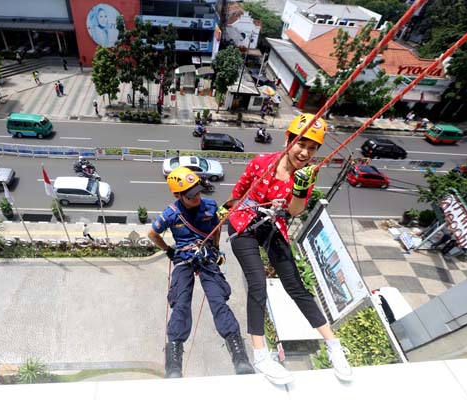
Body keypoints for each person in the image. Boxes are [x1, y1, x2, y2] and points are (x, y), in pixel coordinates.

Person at [220, 113, 352, 383]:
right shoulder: (261, 163)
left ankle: (334, 345)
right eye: (301, 144)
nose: (305, 153)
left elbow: (293, 211)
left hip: (272, 224)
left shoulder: (307, 175)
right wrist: (224, 213)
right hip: (244, 223)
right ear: (288, 140)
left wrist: (301, 190)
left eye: (313, 148)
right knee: (257, 283)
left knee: (295, 284)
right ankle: (260, 356)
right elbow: (239, 191)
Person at [148, 167, 254, 379]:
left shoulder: (210, 206)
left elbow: (216, 229)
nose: (196, 197)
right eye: (190, 195)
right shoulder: (171, 214)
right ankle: (174, 361)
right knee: (181, 303)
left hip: (205, 256)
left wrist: (215, 249)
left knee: (218, 301)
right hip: (184, 259)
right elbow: (152, 233)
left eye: (197, 192)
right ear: (177, 195)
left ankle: (239, 355)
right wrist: (169, 250)